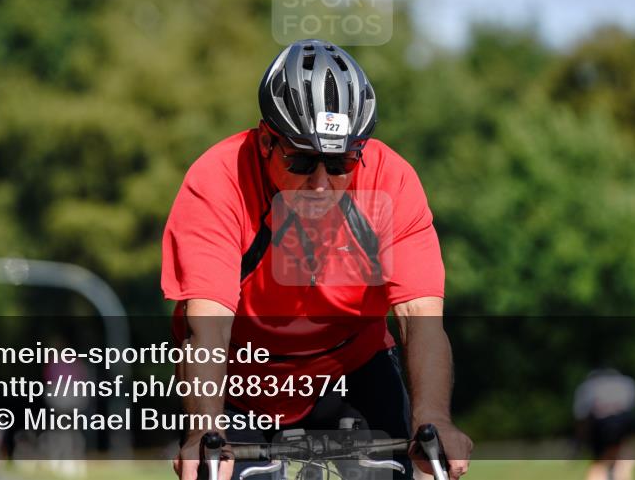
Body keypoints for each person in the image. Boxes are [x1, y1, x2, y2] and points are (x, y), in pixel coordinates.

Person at [162, 39, 473, 479]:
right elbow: (207, 327)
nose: (322, 184)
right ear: (266, 140)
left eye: (341, 161)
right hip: (240, 378)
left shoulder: (392, 182)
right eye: (303, 160)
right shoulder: (218, 181)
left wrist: (435, 418)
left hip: (351, 366)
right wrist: (203, 431)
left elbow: (420, 320)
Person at [573, 368, 635, 480]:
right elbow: (631, 414)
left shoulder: (588, 385)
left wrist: (579, 444)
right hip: (621, 422)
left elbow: (582, 417)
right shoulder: (627, 383)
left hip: (600, 424)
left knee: (600, 463)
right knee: (623, 460)